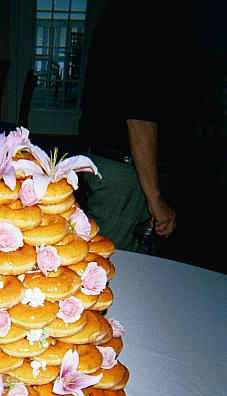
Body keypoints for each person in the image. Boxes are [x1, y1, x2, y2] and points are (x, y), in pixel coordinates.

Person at [78, 0, 202, 253]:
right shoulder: (143, 14)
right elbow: (139, 112)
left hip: (130, 169)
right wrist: (154, 195)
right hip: (128, 170)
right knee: (115, 263)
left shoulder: (128, 11)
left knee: (126, 261)